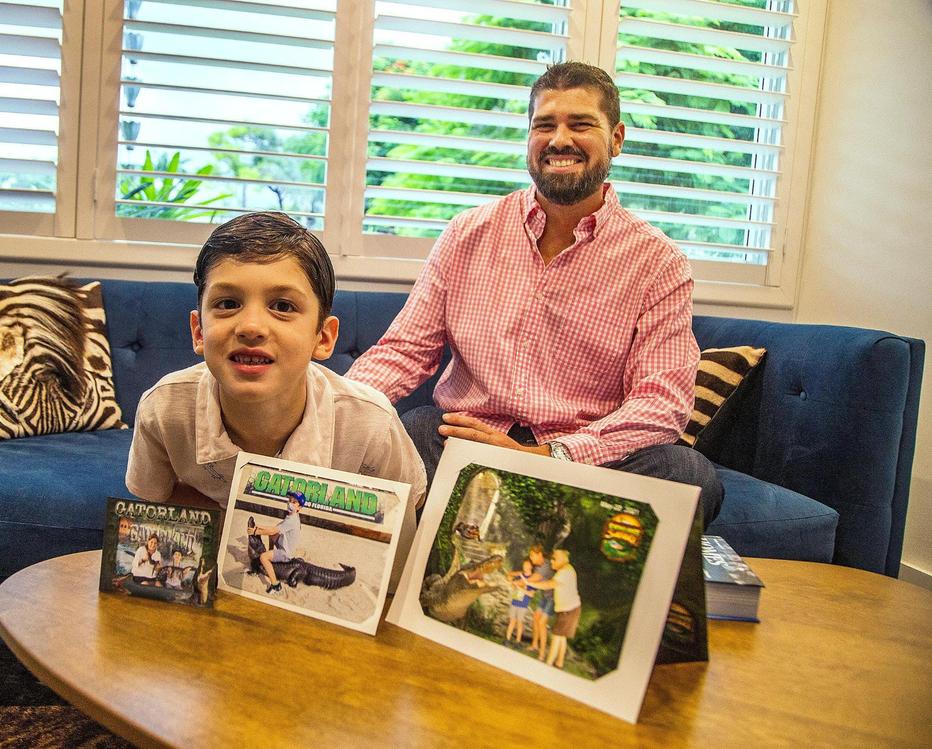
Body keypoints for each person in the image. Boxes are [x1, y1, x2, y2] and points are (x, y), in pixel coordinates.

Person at [346, 62, 722, 524]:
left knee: (687, 474)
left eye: (580, 124)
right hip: (466, 446)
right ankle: (525, 531)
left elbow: (659, 405)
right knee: (417, 427)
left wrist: (545, 457)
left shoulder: (658, 262)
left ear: (617, 138)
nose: (560, 140)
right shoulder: (467, 233)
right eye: (545, 125)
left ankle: (500, 525)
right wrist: (332, 407)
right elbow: (405, 351)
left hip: (579, 464)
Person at [125, 212, 427, 510]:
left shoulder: (372, 424)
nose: (251, 327)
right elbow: (155, 497)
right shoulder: (163, 410)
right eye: (228, 304)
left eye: (282, 306)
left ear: (322, 338)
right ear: (199, 331)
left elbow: (407, 510)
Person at [527, 549, 581, 669]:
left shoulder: (564, 573)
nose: (551, 561)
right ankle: (559, 663)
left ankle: (548, 664)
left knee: (557, 636)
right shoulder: (566, 569)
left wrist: (530, 584)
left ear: (562, 559)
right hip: (569, 609)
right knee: (562, 637)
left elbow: (549, 584)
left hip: (568, 610)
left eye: (554, 558)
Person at [248, 490, 306, 593]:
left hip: (286, 553)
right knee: (272, 536)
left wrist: (257, 531)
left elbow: (272, 530)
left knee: (263, 557)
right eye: (290, 500)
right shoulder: (292, 516)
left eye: (294, 502)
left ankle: (275, 585)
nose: (290, 503)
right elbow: (274, 529)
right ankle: (272, 555)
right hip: (284, 544)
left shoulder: (291, 521)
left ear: (299, 508)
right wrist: (260, 526)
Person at [505, 558, 535, 646]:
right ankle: (507, 639)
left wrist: (520, 588)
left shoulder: (533, 578)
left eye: (527, 565)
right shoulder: (519, 576)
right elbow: (511, 582)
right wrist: (513, 583)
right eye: (524, 564)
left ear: (531, 566)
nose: (525, 567)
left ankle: (518, 641)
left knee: (519, 622)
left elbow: (531, 594)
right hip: (515, 601)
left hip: (523, 604)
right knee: (512, 621)